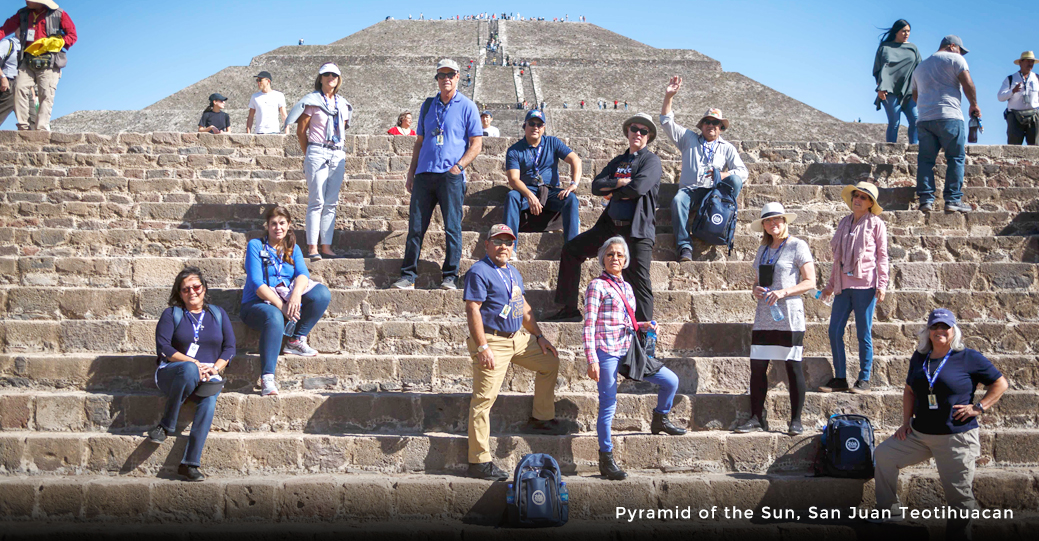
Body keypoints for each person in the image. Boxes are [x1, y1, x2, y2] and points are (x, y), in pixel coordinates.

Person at [872, 308, 1008, 540]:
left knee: (959, 496)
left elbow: (1000, 383)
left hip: (956, 438)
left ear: (954, 330)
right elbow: (909, 391)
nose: (939, 331)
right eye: (934, 326)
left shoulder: (969, 357)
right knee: (884, 455)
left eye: (945, 326)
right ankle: (889, 513)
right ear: (927, 331)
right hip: (919, 434)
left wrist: (979, 407)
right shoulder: (919, 356)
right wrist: (905, 423)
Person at [464, 225, 565, 480]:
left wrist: (539, 336)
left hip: (517, 339)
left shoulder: (513, 273)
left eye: (508, 242)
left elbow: (524, 308)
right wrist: (483, 346)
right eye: (497, 241)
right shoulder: (479, 271)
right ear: (486, 244)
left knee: (549, 362)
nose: (503, 247)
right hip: (492, 340)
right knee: (483, 400)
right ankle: (479, 461)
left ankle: (541, 418)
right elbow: (473, 309)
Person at [545, 113, 660, 323]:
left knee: (640, 281)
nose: (638, 133)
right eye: (634, 129)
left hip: (637, 230)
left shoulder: (651, 161)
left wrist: (613, 192)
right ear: (628, 131)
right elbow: (596, 186)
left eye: (643, 131)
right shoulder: (618, 161)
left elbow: (638, 188)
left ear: (648, 136)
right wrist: (618, 184)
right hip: (610, 228)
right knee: (571, 250)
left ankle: (644, 340)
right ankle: (569, 308)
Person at [585, 237, 684, 480]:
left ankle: (660, 418)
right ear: (603, 259)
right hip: (606, 351)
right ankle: (606, 459)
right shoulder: (596, 286)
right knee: (608, 404)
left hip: (629, 349)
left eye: (619, 255)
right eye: (610, 255)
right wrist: (591, 359)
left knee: (670, 380)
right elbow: (589, 324)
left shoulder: (627, 287)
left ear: (626, 260)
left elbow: (626, 321)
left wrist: (644, 324)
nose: (615, 258)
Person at [391, 59, 482, 291]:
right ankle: (408, 275)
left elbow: (476, 144)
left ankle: (450, 276)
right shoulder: (428, 105)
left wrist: (458, 167)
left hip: (450, 176)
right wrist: (411, 172)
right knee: (416, 227)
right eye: (441, 75)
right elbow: (419, 141)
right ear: (437, 79)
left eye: (450, 74)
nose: (446, 79)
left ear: (458, 76)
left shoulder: (468, 106)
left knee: (452, 227)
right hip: (424, 173)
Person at [735, 203, 815, 436]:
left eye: (777, 219)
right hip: (764, 315)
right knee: (757, 367)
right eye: (768, 221)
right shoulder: (763, 250)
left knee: (793, 366)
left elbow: (810, 282)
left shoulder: (798, 245)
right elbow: (758, 282)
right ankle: (757, 418)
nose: (773, 224)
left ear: (785, 220)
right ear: (764, 226)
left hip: (789, 315)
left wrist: (783, 292)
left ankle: (796, 420)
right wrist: (755, 290)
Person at [150, 267, 235, 482]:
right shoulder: (172, 314)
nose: (192, 292)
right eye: (186, 289)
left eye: (196, 287)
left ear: (204, 289)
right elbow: (164, 348)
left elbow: (230, 347)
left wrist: (214, 368)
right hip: (174, 372)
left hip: (208, 374)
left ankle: (190, 463)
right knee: (189, 369)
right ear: (180, 294)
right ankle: (167, 425)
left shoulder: (218, 314)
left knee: (209, 402)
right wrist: (194, 363)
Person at [240, 206, 331, 397]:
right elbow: (257, 283)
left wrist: (297, 294)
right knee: (274, 316)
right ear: (267, 225)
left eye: (282, 223)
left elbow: (303, 274)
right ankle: (267, 378)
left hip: (286, 297)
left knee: (321, 294)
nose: (278, 228)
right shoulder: (255, 246)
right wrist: (282, 307)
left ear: (288, 225)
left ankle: (295, 339)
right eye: (273, 224)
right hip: (257, 304)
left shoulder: (293, 248)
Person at [660, 76, 748, 261]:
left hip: (713, 194)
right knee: (677, 201)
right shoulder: (688, 138)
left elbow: (743, 172)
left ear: (721, 128)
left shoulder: (727, 148)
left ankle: (722, 213)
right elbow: (667, 122)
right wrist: (669, 96)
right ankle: (684, 246)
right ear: (702, 125)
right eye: (707, 122)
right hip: (690, 191)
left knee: (735, 180)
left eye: (715, 123)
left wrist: (724, 174)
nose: (711, 126)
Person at [819, 182, 889, 394]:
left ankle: (864, 378)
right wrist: (831, 285)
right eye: (856, 195)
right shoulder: (844, 222)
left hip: (866, 285)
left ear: (870, 203)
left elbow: (882, 256)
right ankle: (840, 378)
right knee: (834, 331)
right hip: (843, 286)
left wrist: (882, 284)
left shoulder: (876, 224)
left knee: (863, 333)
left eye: (863, 197)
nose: (857, 199)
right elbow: (837, 258)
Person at [284, 63, 353, 261]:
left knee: (331, 202)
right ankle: (312, 247)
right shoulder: (311, 101)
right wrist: (310, 153)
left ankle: (327, 246)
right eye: (327, 74)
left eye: (334, 75)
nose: (331, 77)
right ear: (320, 78)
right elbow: (300, 131)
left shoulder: (343, 104)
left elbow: (343, 129)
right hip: (317, 150)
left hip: (337, 152)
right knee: (317, 201)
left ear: (339, 79)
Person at [911, 35, 979, 213]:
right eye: (960, 50)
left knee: (925, 161)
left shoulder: (920, 67)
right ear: (952, 46)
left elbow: (915, 96)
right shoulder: (956, 59)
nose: (961, 53)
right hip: (950, 116)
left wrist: (927, 108)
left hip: (925, 119)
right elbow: (968, 84)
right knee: (955, 158)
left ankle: (925, 200)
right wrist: (974, 104)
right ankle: (953, 200)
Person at [503, 109, 582, 248]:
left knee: (571, 199)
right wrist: (529, 195)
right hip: (527, 189)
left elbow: (575, 160)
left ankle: (572, 248)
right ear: (524, 126)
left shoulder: (553, 142)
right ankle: (510, 247)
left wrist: (573, 184)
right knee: (512, 196)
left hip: (550, 190)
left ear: (543, 128)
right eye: (532, 123)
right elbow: (513, 179)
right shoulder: (515, 150)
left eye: (539, 125)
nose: (535, 127)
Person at [0, 0, 76, 131]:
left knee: (46, 94)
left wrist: (56, 42)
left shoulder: (60, 14)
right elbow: (4, 29)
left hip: (49, 61)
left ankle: (41, 129)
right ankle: (23, 126)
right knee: (19, 88)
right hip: (27, 60)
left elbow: (72, 36)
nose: (26, 1)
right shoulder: (22, 14)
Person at [873, 19, 921, 144]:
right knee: (895, 121)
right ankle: (891, 151)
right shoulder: (885, 47)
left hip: (909, 90)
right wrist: (880, 88)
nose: (907, 34)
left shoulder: (913, 48)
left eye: (909, 31)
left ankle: (914, 149)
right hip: (889, 90)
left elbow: (920, 68)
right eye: (903, 31)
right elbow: (878, 69)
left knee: (916, 120)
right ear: (896, 31)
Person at [997, 51, 1038, 146]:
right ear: (1020, 63)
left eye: (1032, 61)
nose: (1030, 64)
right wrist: (1013, 91)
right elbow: (1000, 97)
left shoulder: (1037, 78)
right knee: (1013, 147)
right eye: (1028, 61)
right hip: (1015, 116)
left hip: (1034, 116)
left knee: (1035, 148)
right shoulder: (1011, 79)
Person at [246, 70, 287, 135]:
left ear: (268, 81)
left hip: (274, 132)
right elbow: (250, 116)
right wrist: (248, 133)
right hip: (259, 132)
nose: (258, 83)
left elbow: (284, 115)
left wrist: (287, 133)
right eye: (257, 80)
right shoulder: (254, 97)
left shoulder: (279, 95)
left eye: (260, 80)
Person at [0, 35, 19, 126]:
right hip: (9, 83)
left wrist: (32, 90)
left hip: (24, 84)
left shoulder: (27, 46)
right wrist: (3, 77)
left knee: (32, 118)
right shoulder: (8, 43)